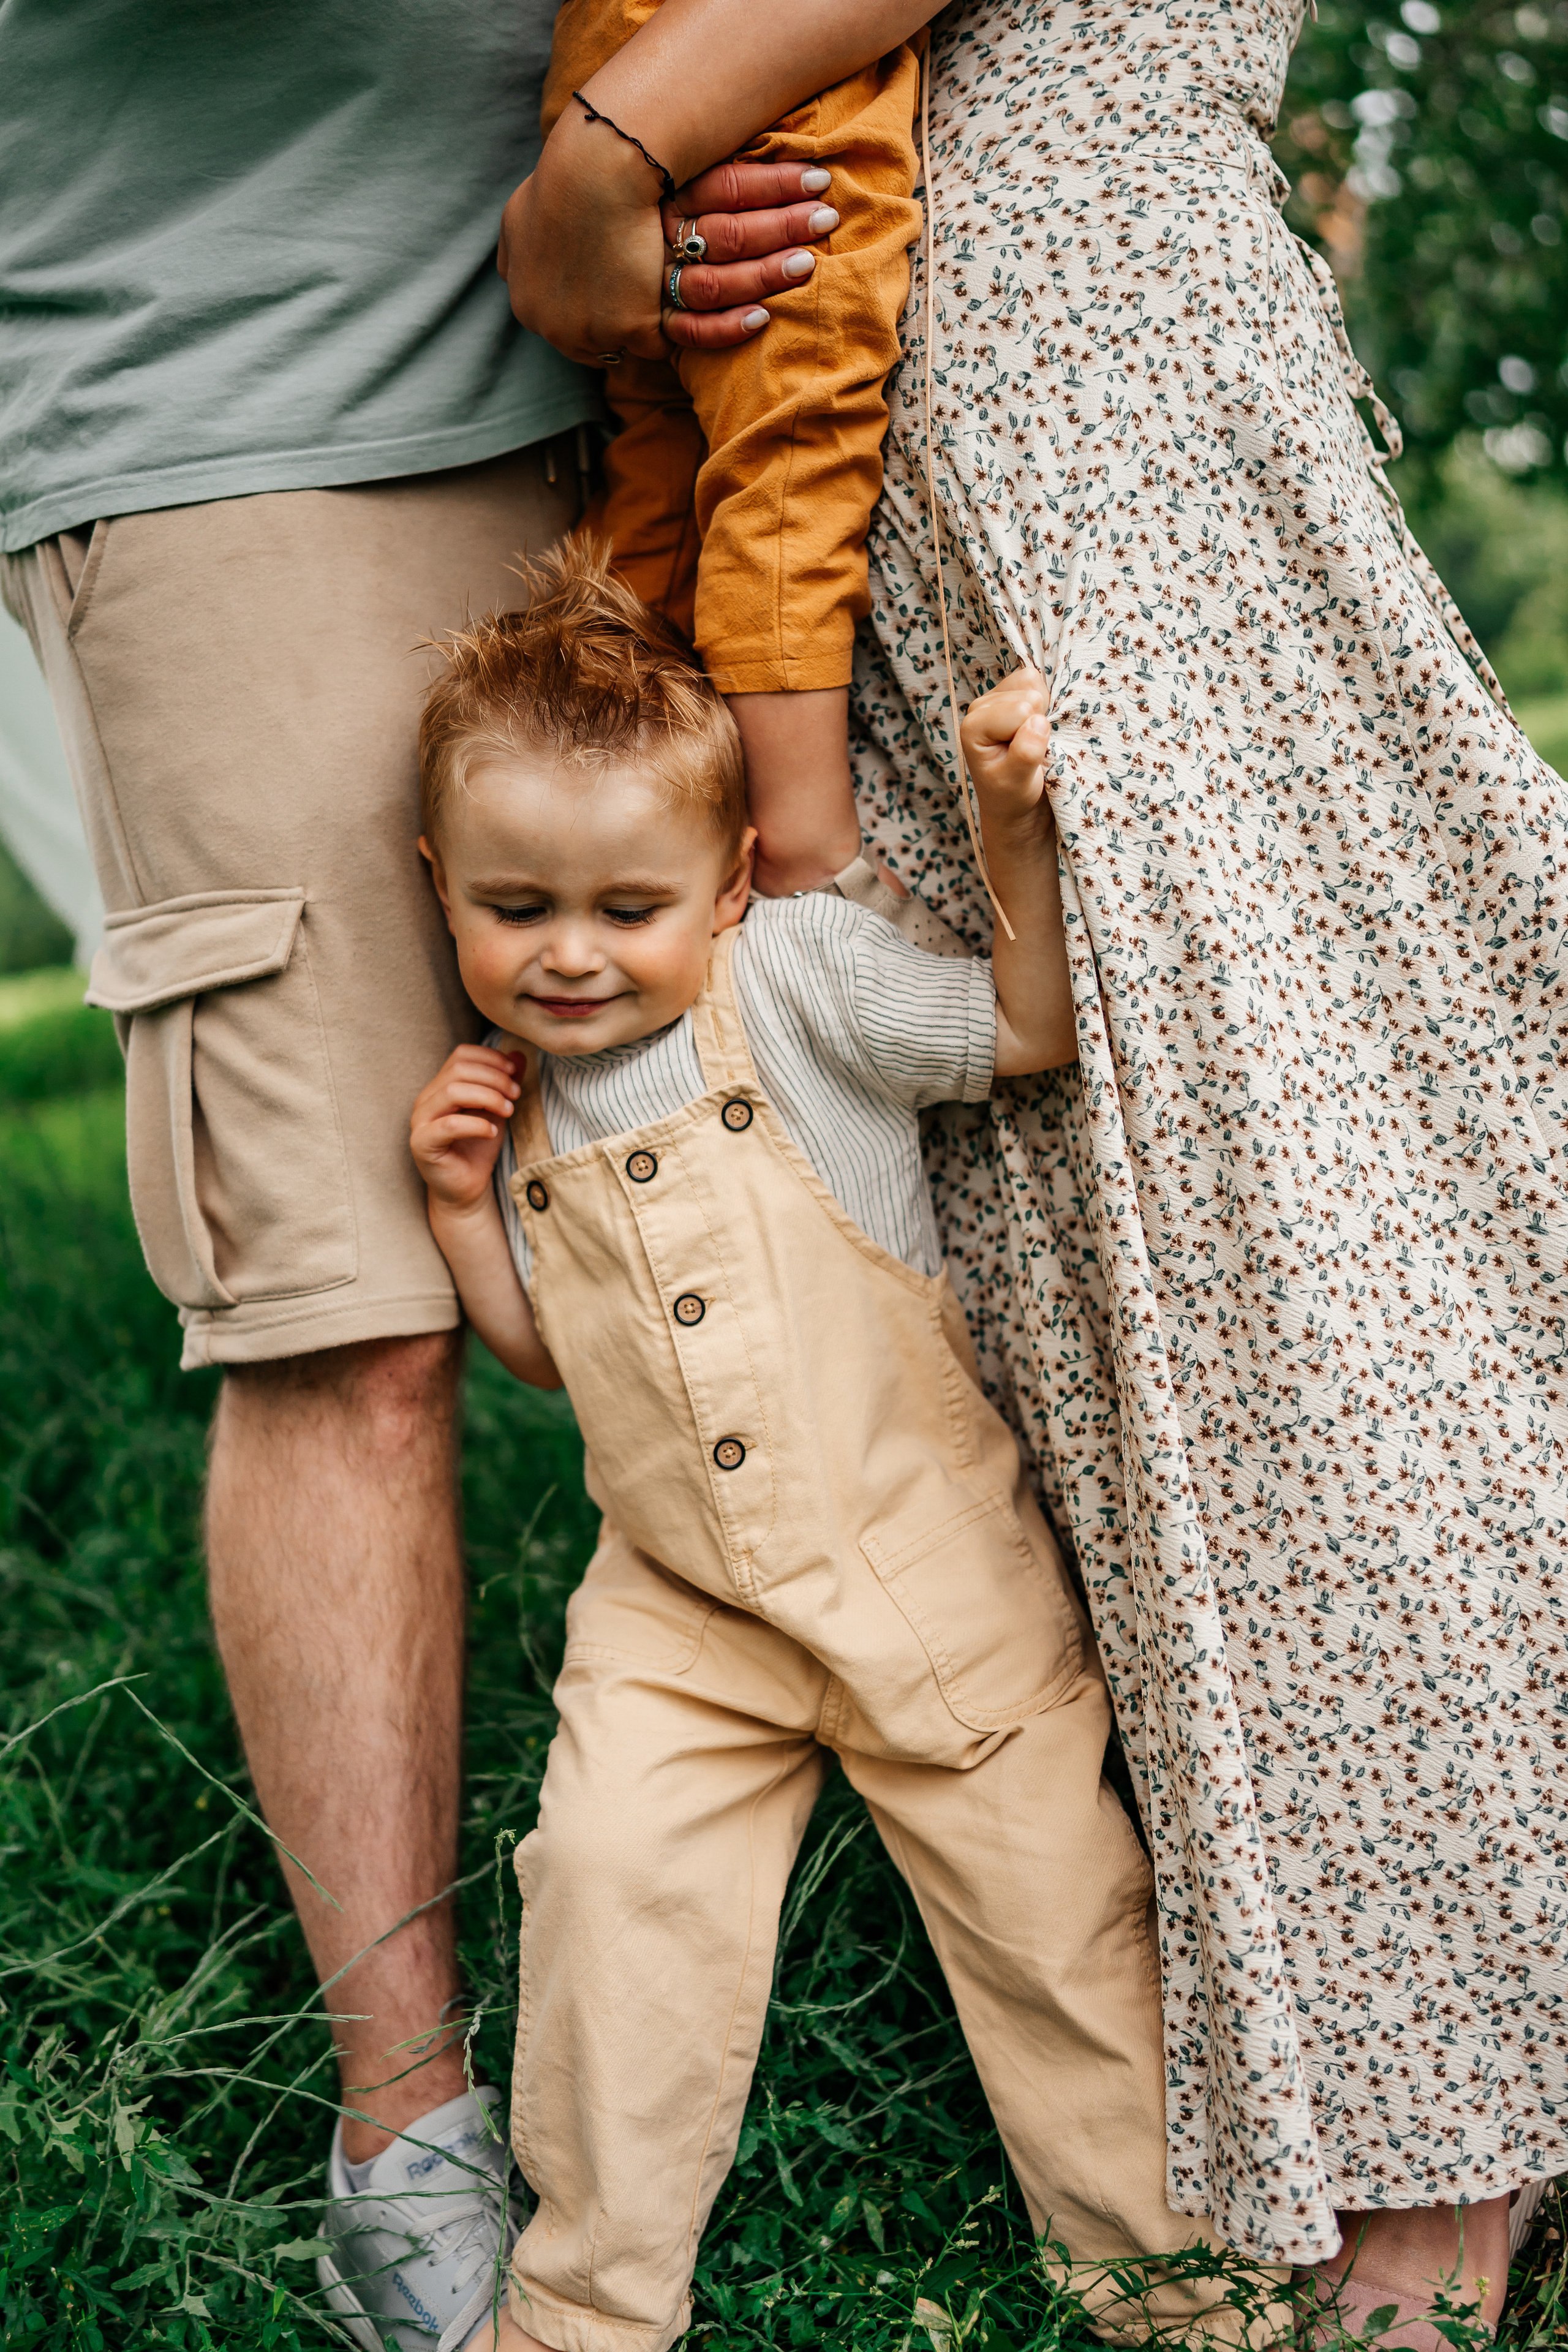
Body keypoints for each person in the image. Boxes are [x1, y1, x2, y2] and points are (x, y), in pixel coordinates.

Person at [500, 0, 1568, 2343]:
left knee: (1304, 1262)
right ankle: (1372, 2032)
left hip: (1079, 412)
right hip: (932, 463)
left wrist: (608, 150)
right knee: (1140, 1289)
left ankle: (1448, 2109)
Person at [0, 7, 829, 2345]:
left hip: (714, 345)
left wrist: (649, 132)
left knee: (842, 1180)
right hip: (255, 405)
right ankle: (409, 2134)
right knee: (352, 1308)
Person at [408, 537, 1234, 2352]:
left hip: (923, 1568)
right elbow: (557, 1362)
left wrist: (1009, 830)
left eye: (627, 906)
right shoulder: (515, 1098)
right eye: (515, 907)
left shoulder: (789, 983)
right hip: (680, 1613)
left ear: (726, 887)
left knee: (1054, 1919)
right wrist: (466, 1213)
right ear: (439, 887)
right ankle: (582, 2304)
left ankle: (1181, 2297)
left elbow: (1021, 1030)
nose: (568, 954)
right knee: (607, 1886)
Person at [538, 4, 921, 900]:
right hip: (739, 67)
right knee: (789, 449)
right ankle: (802, 853)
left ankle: (603, 853)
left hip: (618, 61)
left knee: (663, 451)